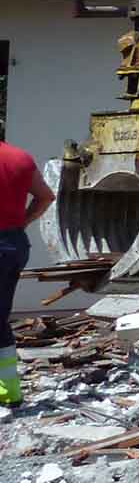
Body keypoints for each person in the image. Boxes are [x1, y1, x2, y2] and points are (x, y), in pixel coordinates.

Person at [1, 138, 56, 407]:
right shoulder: (20, 158)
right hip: (13, 245)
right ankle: (8, 391)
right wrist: (20, 222)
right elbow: (46, 197)